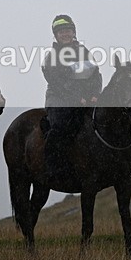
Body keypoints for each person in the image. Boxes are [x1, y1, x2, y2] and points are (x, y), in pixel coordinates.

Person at [41, 14, 102, 180]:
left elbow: (96, 75)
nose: (65, 34)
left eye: (67, 30)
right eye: (61, 32)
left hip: (86, 99)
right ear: (56, 35)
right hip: (59, 100)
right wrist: (77, 98)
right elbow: (57, 82)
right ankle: (52, 165)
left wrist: (95, 95)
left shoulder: (84, 52)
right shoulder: (51, 57)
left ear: (73, 32)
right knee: (60, 126)